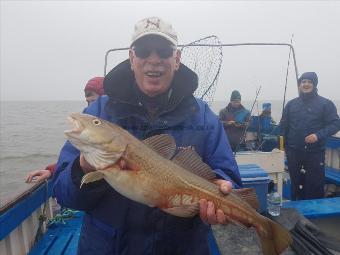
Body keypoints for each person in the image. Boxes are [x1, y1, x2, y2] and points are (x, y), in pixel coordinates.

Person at [53, 17, 241, 255]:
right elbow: (62, 194)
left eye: (164, 51)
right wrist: (82, 168)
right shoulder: (98, 111)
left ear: (177, 60)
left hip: (183, 247)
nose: (154, 60)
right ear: (132, 58)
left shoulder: (203, 117)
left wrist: (222, 184)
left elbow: (228, 174)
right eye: (143, 51)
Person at [26, 77, 104, 183]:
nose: (91, 106)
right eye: (88, 102)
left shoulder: (118, 126)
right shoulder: (85, 129)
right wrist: (52, 171)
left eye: (94, 101)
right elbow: (72, 156)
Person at [281, 72, 340, 200]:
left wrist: (318, 135)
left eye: (309, 82)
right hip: (294, 153)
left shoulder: (326, 104)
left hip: (315, 153)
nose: (306, 84)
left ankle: (314, 215)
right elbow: (283, 127)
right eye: (303, 82)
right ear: (299, 85)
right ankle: (297, 213)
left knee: (314, 186)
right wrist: (282, 148)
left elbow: (335, 124)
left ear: (314, 85)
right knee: (295, 185)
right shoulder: (291, 104)